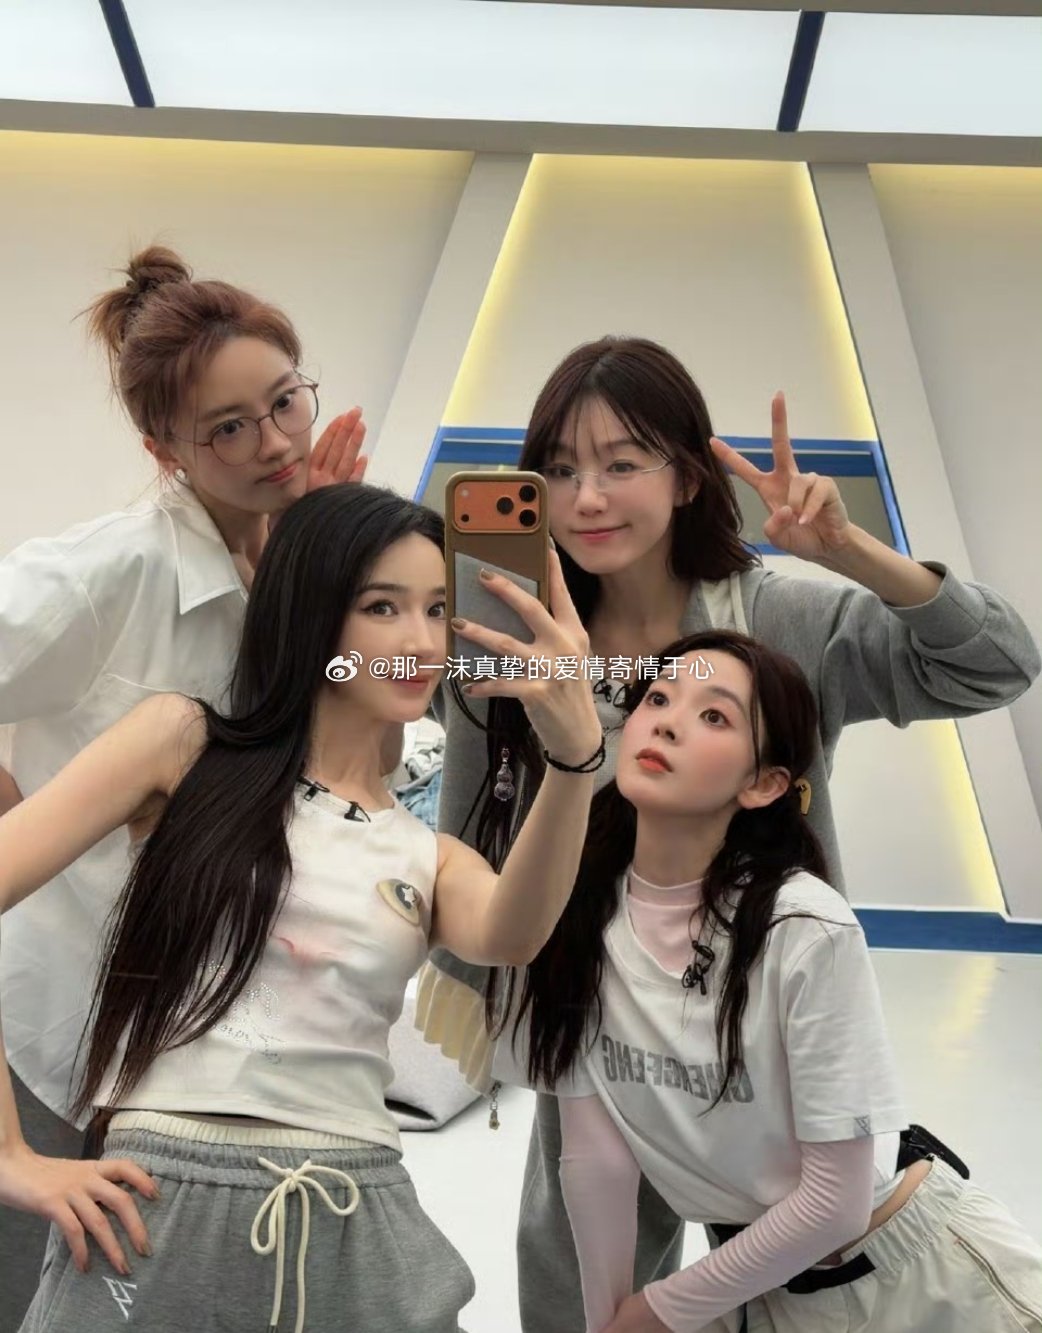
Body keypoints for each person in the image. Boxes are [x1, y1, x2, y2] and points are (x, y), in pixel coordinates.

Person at [414, 336, 1041, 1332]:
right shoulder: (514, 640)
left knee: (779, 1281)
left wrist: (851, 553)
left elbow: (996, 664)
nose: (586, 497)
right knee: (575, 1288)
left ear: (685, 476)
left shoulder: (775, 619)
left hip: (755, 1024)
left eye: (621, 462)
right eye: (560, 470)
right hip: (592, 1030)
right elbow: (465, 820)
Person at [0, 482, 604, 1333]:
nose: (419, 640)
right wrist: (12, 1156)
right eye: (381, 606)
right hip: (160, 1203)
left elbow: (516, 931)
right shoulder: (185, 744)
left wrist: (575, 761)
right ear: (311, 614)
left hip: (356, 1205)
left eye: (438, 609)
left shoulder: (424, 853)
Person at [0, 245, 369, 1329]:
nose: (277, 443)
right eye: (229, 429)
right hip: (54, 1044)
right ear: (164, 450)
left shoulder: (301, 563)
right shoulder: (110, 571)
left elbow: (363, 724)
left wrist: (329, 576)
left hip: (203, 1049)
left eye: (286, 401)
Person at [493, 629, 1042, 1333]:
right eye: (657, 698)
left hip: (917, 1274)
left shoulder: (804, 926)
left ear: (763, 783)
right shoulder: (573, 914)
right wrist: (608, 1321)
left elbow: (836, 1201)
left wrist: (657, 1312)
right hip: (763, 1287)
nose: (666, 721)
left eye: (713, 715)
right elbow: (596, 1158)